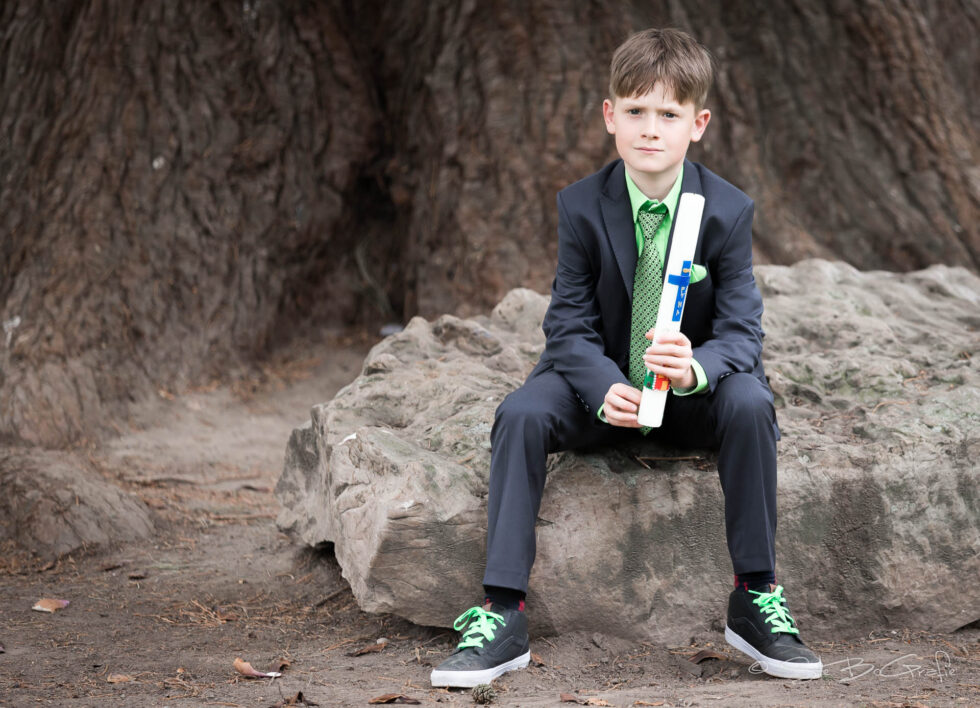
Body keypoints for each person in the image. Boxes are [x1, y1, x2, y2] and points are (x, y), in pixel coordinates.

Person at [430, 27, 823, 688]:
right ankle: (503, 611)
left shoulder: (727, 211)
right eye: (635, 111)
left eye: (668, 115)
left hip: (691, 395)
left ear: (697, 125)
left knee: (752, 402)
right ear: (609, 115)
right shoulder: (582, 206)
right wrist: (601, 383)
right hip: (603, 390)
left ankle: (755, 597)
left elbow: (741, 330)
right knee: (521, 413)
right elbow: (568, 322)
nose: (650, 129)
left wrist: (695, 367)